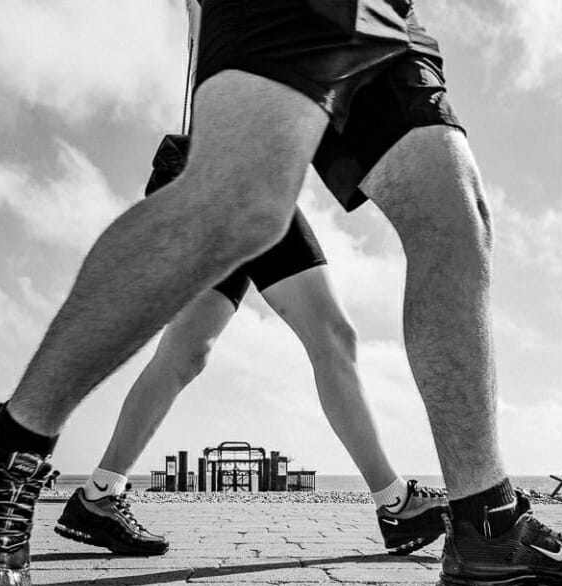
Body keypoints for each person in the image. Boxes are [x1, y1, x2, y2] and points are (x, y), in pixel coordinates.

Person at [0, 0, 562, 586]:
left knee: (452, 212)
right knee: (236, 217)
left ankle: (487, 523)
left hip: (387, 16)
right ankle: (6, 447)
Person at [53, 131, 447, 559]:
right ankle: (396, 504)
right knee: (331, 335)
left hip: (207, 173)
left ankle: (98, 496)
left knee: (185, 353)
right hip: (243, 170)